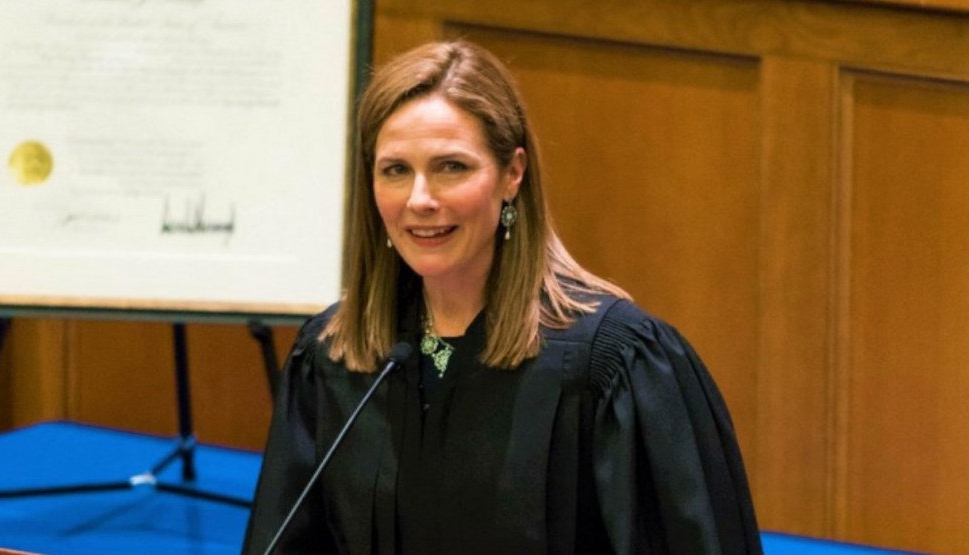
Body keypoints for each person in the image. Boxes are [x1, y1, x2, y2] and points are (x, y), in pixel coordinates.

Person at [242, 40, 762, 555]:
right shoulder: (334, 355)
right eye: (396, 170)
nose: (420, 199)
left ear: (513, 174)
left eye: (452, 167)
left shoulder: (614, 365)